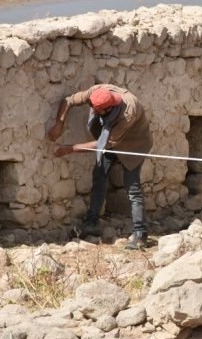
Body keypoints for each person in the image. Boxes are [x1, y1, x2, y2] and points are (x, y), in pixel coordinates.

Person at [47, 84, 153, 250]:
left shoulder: (128, 112)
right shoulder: (96, 92)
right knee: (99, 175)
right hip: (110, 139)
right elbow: (68, 100)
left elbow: (105, 143)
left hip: (134, 145)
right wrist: (59, 123)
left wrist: (70, 149)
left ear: (107, 109)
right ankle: (92, 222)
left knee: (132, 188)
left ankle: (141, 233)